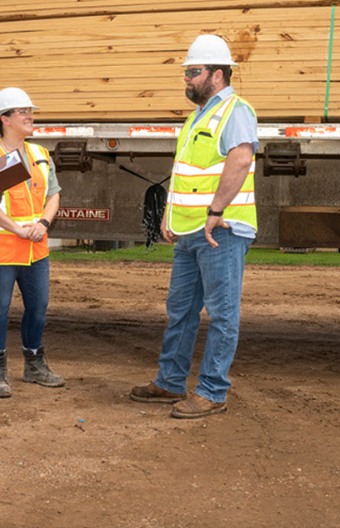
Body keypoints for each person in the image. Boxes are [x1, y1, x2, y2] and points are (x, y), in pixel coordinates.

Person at [130, 34, 258, 419]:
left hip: (221, 231)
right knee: (181, 310)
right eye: (186, 71)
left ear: (217, 75)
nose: (187, 78)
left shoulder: (236, 110)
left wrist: (217, 210)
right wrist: (170, 212)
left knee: (221, 314)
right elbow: (183, 173)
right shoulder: (196, 117)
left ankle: (212, 391)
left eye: (193, 71)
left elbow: (240, 159)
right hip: (189, 232)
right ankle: (170, 381)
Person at [0, 87, 64, 398]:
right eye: (22, 111)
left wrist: (42, 224)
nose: (30, 116)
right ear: (4, 119)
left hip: (35, 245)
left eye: (30, 111)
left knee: (38, 308)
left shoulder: (40, 154)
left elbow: (53, 194)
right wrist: (17, 229)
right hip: (0, 246)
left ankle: (34, 365)